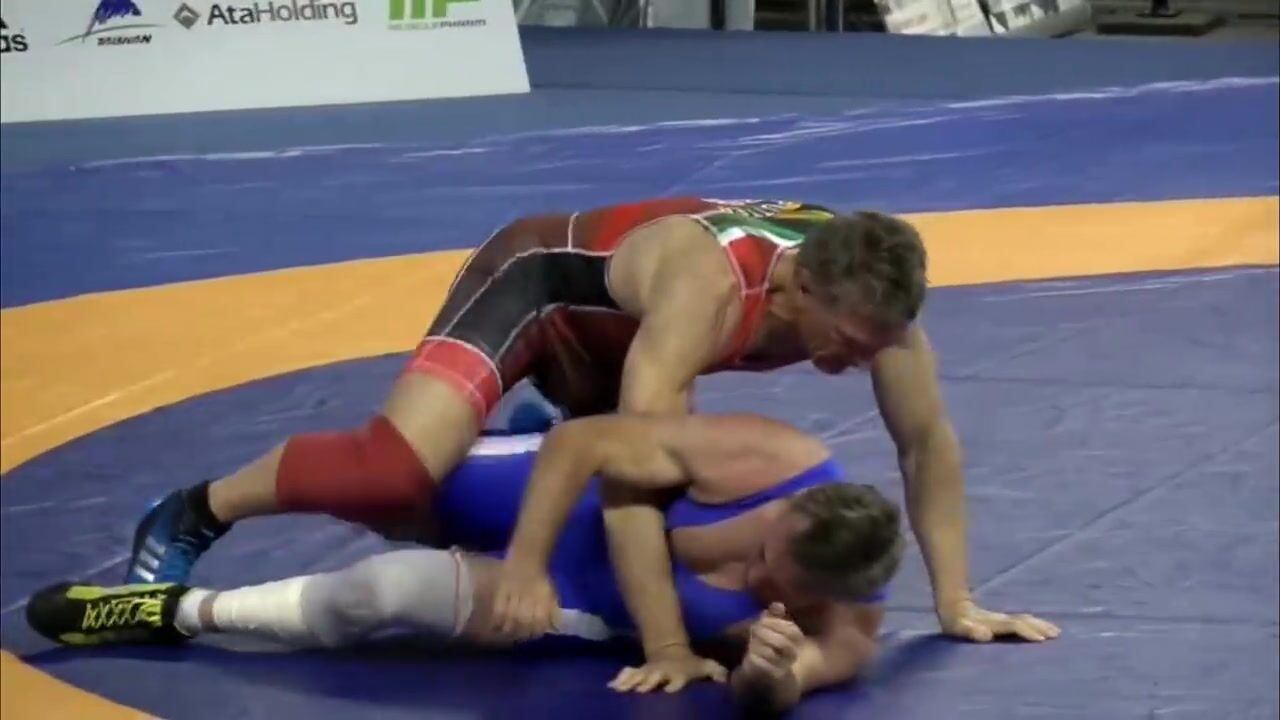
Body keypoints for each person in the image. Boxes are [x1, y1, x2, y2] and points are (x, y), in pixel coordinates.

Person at [124, 196, 1054, 688]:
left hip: (628, 344)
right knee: (393, 476)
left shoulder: (873, 312)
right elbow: (628, 476)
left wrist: (956, 601)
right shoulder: (709, 292)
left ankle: (541, 434)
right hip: (542, 291)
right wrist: (667, 646)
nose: (852, 364)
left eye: (870, 349)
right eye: (842, 344)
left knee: (651, 456)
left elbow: (926, 446)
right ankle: (196, 509)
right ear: (797, 289)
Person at [33, 413, 916, 713]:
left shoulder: (845, 624)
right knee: (386, 477)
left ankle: (172, 612)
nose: (754, 560)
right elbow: (582, 446)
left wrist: (765, 674)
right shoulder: (775, 463)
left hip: (581, 593)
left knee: (379, 593)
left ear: (820, 594)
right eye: (762, 540)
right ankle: (201, 505)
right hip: (558, 498)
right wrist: (526, 560)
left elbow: (783, 689)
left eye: (772, 575)